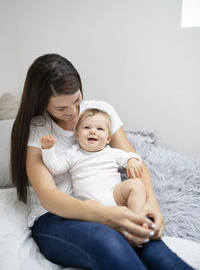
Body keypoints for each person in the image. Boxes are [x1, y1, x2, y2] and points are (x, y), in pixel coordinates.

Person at [11, 53, 194, 270]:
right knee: (109, 242)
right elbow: (48, 196)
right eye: (61, 108)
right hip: (57, 216)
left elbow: (133, 160)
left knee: (153, 247)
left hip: (111, 204)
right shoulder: (37, 128)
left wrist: (151, 204)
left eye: (76, 100)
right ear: (41, 102)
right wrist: (104, 216)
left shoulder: (100, 111)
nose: (72, 113)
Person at [40, 108, 147, 216]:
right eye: (87, 127)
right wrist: (48, 150)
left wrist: (132, 161)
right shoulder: (72, 154)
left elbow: (129, 155)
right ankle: (119, 220)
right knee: (90, 206)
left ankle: (136, 220)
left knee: (136, 185)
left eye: (100, 129)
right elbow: (56, 168)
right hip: (89, 202)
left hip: (114, 195)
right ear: (77, 135)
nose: (93, 131)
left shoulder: (112, 153)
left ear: (108, 139)